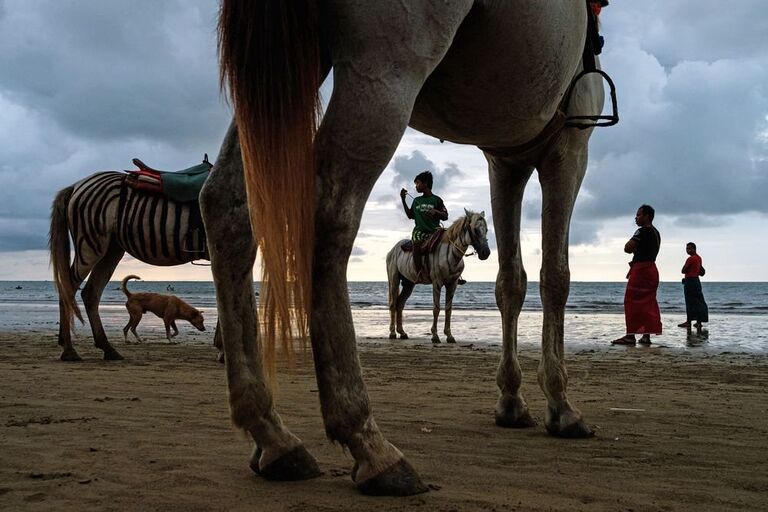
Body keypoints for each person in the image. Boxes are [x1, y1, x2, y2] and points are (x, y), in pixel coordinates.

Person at [612, 204, 662, 346]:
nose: (636, 218)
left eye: (639, 215)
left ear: (647, 216)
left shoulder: (641, 231)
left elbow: (627, 248)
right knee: (648, 303)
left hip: (641, 271)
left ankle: (630, 335)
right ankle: (646, 336)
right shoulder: (656, 232)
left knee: (631, 302)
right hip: (652, 269)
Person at [400, 171, 448, 280]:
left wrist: (436, 212)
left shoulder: (437, 200)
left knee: (450, 243)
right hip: (420, 232)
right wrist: (403, 200)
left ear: (425, 183)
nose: (416, 186)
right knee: (416, 244)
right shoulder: (417, 200)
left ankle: (454, 273)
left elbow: (445, 216)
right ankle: (419, 272)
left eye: (417, 183)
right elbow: (410, 215)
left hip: (435, 232)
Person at [678, 242, 708, 330]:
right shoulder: (699, 258)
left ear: (694, 249)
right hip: (696, 281)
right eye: (687, 249)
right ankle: (699, 322)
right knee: (698, 301)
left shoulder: (690, 259)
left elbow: (683, 270)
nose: (687, 250)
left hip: (690, 281)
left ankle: (688, 322)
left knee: (690, 302)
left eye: (689, 248)